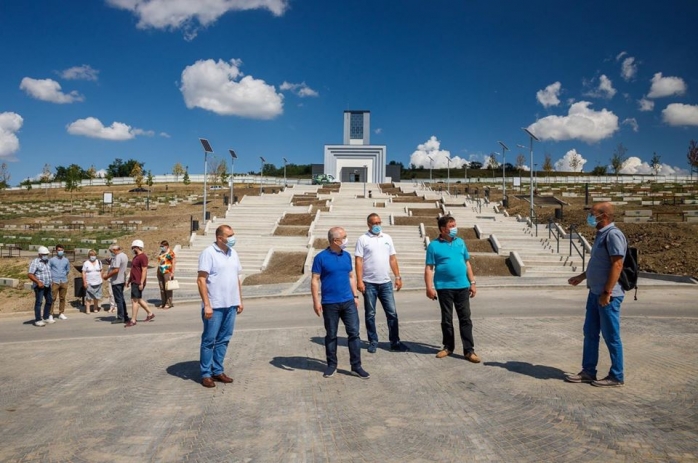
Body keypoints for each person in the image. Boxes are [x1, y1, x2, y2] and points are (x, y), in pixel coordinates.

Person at [566, 202, 627, 388]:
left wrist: (607, 292)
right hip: (594, 293)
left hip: (607, 296)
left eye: (593, 214)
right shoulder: (601, 235)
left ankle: (616, 376)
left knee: (611, 336)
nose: (590, 217)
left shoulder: (614, 235)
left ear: (604, 216)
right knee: (590, 333)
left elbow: (617, 265)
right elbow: (598, 264)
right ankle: (588, 371)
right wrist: (582, 276)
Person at [311, 227, 370, 379]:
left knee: (354, 334)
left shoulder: (347, 256)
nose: (346, 239)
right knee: (331, 335)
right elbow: (315, 280)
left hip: (348, 302)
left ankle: (356, 365)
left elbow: (351, 276)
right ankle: (331, 365)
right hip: (330, 303)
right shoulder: (320, 258)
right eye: (344, 237)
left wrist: (355, 296)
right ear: (335, 241)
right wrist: (316, 301)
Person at [424, 215, 481, 363]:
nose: (455, 228)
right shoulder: (433, 246)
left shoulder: (460, 242)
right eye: (451, 226)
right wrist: (429, 287)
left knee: (465, 318)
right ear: (443, 229)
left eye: (455, 225)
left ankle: (469, 350)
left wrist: (473, 282)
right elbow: (429, 268)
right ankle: (448, 347)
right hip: (444, 287)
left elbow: (467, 263)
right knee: (447, 319)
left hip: (462, 286)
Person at [197, 225, 244, 388]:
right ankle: (206, 374)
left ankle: (217, 370)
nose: (233, 238)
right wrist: (207, 305)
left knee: (224, 339)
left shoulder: (233, 253)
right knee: (209, 340)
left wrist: (239, 300)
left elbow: (237, 278)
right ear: (219, 238)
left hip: (230, 304)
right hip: (214, 306)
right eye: (229, 235)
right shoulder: (208, 253)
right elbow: (201, 280)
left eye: (233, 234)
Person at [354, 213, 409, 353]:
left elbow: (392, 258)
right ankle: (373, 341)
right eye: (374, 223)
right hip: (369, 283)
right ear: (369, 224)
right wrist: (359, 281)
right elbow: (358, 261)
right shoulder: (363, 239)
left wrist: (398, 276)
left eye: (379, 222)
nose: (377, 225)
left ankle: (395, 342)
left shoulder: (387, 238)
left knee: (392, 313)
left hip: (386, 283)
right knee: (370, 314)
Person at [125, 239, 153, 327]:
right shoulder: (136, 257)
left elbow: (144, 270)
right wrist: (129, 280)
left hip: (138, 281)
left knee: (134, 300)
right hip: (134, 280)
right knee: (138, 299)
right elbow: (133, 269)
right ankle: (150, 313)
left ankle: (133, 320)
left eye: (133, 247)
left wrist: (141, 282)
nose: (132, 249)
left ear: (136, 247)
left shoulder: (143, 257)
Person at [103, 244, 130, 325]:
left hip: (117, 281)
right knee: (121, 299)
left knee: (118, 300)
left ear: (115, 250)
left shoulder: (118, 257)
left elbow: (116, 270)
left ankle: (120, 317)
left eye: (111, 251)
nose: (111, 253)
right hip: (121, 280)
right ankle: (125, 316)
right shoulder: (124, 255)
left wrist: (107, 276)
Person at [28, 246, 54, 327]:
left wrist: (51, 281)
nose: (46, 255)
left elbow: (48, 272)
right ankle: (38, 320)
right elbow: (30, 274)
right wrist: (38, 282)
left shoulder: (48, 261)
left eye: (46, 254)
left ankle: (46, 317)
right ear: (39, 254)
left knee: (49, 301)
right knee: (39, 302)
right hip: (39, 286)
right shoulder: (35, 262)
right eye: (44, 254)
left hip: (47, 285)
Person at [48, 244, 70, 321]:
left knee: (62, 298)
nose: (60, 251)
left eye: (61, 250)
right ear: (56, 251)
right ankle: (50, 314)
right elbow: (49, 269)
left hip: (63, 281)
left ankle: (61, 313)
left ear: (63, 250)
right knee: (52, 298)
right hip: (55, 281)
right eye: (58, 250)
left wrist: (64, 276)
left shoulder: (66, 260)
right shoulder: (52, 260)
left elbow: (67, 270)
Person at [81, 249, 103, 314]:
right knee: (88, 297)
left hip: (98, 282)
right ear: (89, 256)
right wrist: (84, 282)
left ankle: (95, 308)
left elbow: (101, 270)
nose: (93, 256)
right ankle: (88, 309)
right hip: (89, 282)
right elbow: (83, 272)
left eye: (94, 255)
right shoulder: (86, 263)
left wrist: (101, 278)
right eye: (91, 255)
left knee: (96, 296)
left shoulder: (99, 262)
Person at [156, 240, 176, 309]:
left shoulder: (170, 253)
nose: (161, 247)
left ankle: (168, 302)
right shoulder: (161, 252)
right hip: (160, 271)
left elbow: (173, 262)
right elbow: (159, 261)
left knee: (168, 287)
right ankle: (163, 302)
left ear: (167, 246)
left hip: (167, 271)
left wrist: (172, 272)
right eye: (161, 246)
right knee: (162, 288)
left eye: (162, 246)